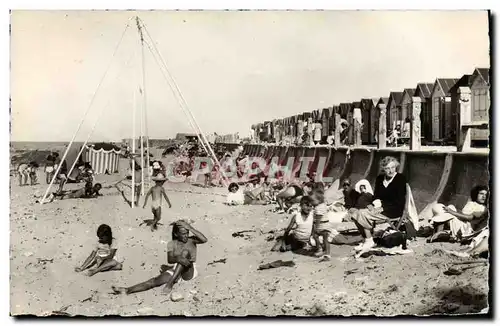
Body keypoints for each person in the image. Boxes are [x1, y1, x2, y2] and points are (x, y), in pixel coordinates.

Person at [111, 220, 207, 296]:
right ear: (177, 234)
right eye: (183, 233)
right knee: (154, 281)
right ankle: (127, 290)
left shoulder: (192, 240)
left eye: (187, 232)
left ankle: (170, 283)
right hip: (176, 270)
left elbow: (204, 240)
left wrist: (189, 227)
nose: (186, 235)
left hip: (189, 272)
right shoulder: (172, 244)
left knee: (185, 253)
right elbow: (170, 260)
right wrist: (177, 258)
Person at [351, 156, 407, 252]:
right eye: (387, 168)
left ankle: (369, 241)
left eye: (393, 167)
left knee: (363, 214)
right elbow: (376, 196)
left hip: (393, 210)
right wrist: (372, 204)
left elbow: (399, 201)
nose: (390, 171)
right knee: (354, 213)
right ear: (383, 169)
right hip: (380, 207)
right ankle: (366, 239)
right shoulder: (380, 178)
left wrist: (382, 208)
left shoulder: (400, 179)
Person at [310, 188, 332, 261]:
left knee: (322, 238)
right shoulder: (322, 205)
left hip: (322, 225)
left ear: (319, 200)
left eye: (313, 201)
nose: (311, 202)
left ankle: (325, 252)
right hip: (325, 224)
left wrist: (316, 227)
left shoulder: (318, 208)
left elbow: (318, 218)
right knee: (321, 238)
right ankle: (323, 250)